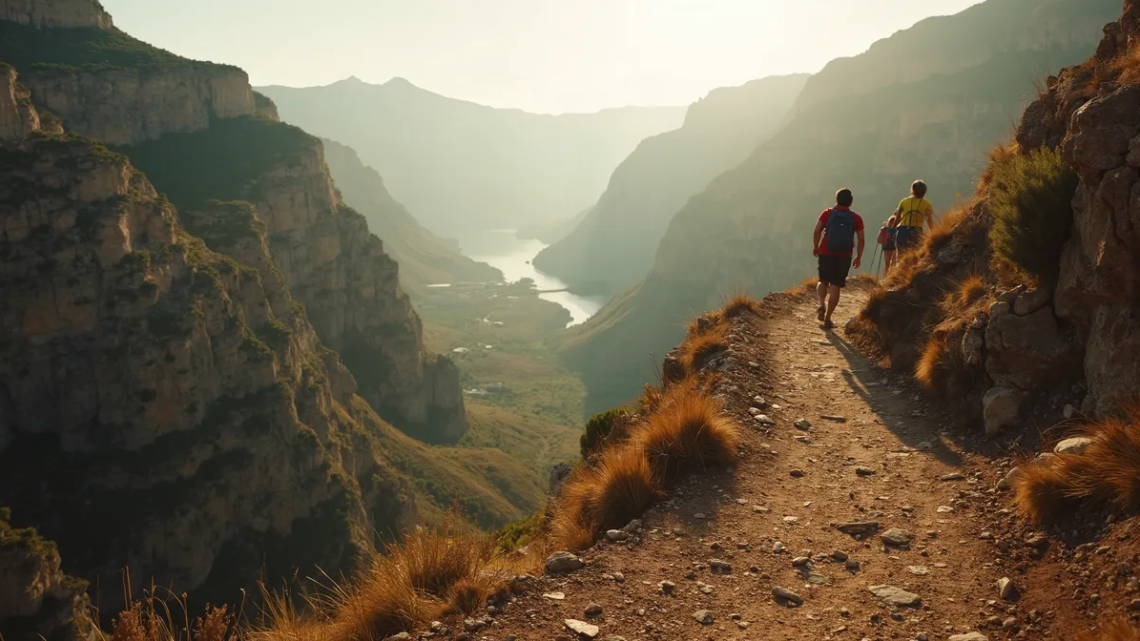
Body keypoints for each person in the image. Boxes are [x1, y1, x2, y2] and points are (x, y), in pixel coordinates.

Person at [813, 188, 865, 329]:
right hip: (844, 256)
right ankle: (828, 319)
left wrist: (816, 246)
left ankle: (821, 304)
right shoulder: (856, 218)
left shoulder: (827, 214)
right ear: (851, 202)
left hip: (826, 252)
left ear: (836, 199)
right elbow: (861, 239)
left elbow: (817, 230)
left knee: (822, 281)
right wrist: (858, 256)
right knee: (836, 286)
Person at [894, 180, 934, 252]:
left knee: (900, 255)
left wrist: (892, 229)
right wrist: (934, 232)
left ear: (912, 189)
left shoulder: (904, 201)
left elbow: (897, 218)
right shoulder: (927, 204)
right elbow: (929, 220)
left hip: (902, 230)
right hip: (916, 230)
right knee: (915, 254)